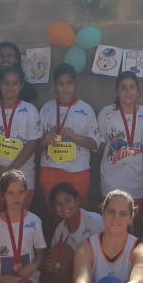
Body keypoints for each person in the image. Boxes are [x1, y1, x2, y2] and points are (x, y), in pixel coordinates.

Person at [37, 64, 101, 215]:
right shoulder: (46, 109)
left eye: (69, 83)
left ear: (75, 84)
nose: (65, 89)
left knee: (78, 216)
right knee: (54, 215)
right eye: (61, 84)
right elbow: (35, 144)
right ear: (55, 85)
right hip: (50, 171)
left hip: (77, 172)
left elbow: (95, 144)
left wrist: (75, 137)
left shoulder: (86, 110)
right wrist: (45, 140)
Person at [0, 65, 41, 213]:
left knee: (21, 218)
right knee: (0, 217)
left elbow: (32, 143)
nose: (10, 87)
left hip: (23, 174)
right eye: (6, 83)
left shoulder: (30, 110)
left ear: (21, 85)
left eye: (14, 83)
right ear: (0, 85)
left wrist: (11, 170)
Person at [98, 71, 143, 215]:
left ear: (138, 91)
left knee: (134, 222)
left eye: (132, 87)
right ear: (117, 91)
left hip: (138, 180)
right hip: (111, 179)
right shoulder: (106, 113)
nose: (127, 92)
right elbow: (102, 145)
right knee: (112, 220)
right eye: (123, 87)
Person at [44, 183, 104, 283]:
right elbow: (54, 261)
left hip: (98, 275)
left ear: (77, 200)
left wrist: (75, 257)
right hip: (74, 280)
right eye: (58, 203)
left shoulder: (96, 221)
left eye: (68, 200)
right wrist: (50, 265)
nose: (64, 206)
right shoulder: (60, 230)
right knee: (58, 253)